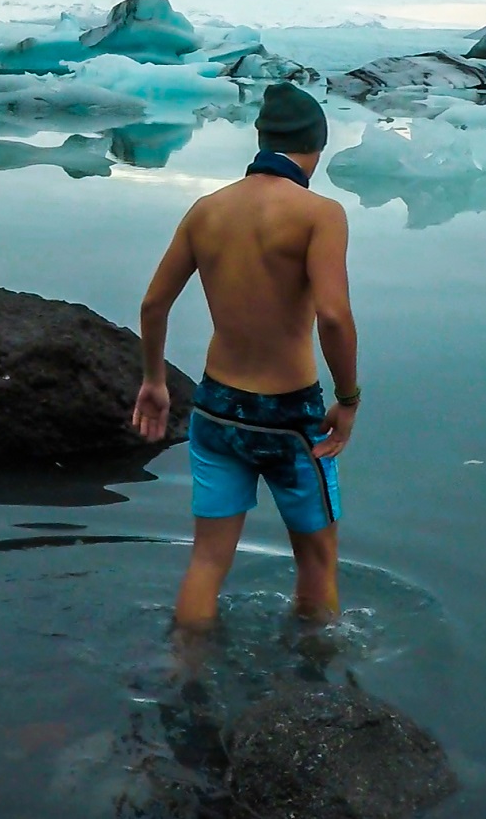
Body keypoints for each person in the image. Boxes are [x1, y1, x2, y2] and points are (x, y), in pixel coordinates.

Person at [129, 82, 361, 629]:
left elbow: (153, 304)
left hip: (214, 408)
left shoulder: (207, 209)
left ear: (261, 139)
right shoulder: (319, 213)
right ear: (316, 148)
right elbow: (332, 315)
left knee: (208, 559)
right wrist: (348, 400)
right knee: (318, 559)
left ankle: (184, 676)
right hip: (290, 417)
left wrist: (154, 381)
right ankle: (316, 687)